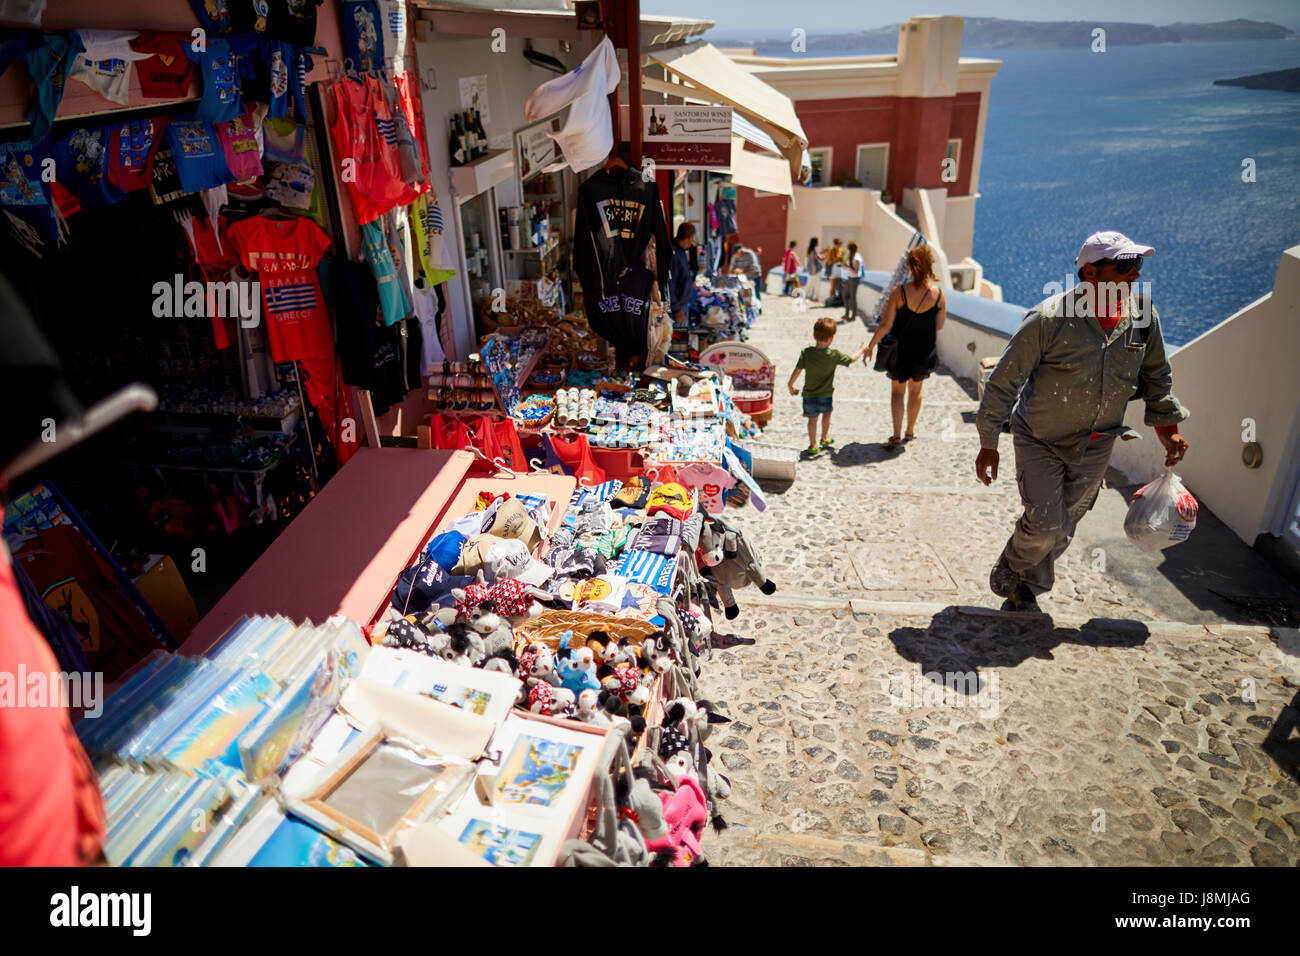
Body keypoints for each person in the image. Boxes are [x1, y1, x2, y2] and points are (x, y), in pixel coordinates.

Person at [975, 230, 1190, 611]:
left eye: (1137, 265)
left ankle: (1029, 586)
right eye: (1124, 266)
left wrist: (1169, 433)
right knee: (1045, 523)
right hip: (1041, 437)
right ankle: (1012, 562)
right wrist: (988, 443)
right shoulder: (1048, 319)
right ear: (1090, 273)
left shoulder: (1142, 317)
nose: (1135, 275)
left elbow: (1157, 378)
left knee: (1065, 524)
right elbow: (1004, 382)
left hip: (1098, 441)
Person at [866, 244, 946, 448]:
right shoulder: (939, 295)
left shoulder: (899, 292)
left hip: (901, 352)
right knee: (916, 391)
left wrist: (870, 345)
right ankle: (910, 431)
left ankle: (896, 435)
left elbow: (885, 325)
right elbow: (940, 325)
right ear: (930, 266)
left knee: (897, 393)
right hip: (924, 351)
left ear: (910, 266)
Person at [788, 316, 869, 458]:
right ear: (832, 337)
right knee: (826, 415)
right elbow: (852, 359)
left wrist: (790, 384)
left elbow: (797, 370)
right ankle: (824, 437)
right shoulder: (834, 355)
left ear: (814, 335)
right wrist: (862, 349)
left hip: (809, 395)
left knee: (812, 420)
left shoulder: (806, 353)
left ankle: (813, 445)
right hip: (826, 394)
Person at [668, 222, 696, 323]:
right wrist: (676, 309)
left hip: (681, 305)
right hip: (676, 308)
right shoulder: (673, 253)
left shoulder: (680, 251)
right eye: (692, 239)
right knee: (678, 337)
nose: (692, 242)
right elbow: (669, 284)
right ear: (688, 238)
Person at [841, 241, 864, 322]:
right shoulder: (851, 256)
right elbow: (848, 267)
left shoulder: (856, 257)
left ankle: (853, 315)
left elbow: (856, 271)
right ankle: (847, 314)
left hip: (854, 279)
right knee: (845, 295)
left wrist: (848, 266)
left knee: (852, 297)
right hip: (849, 278)